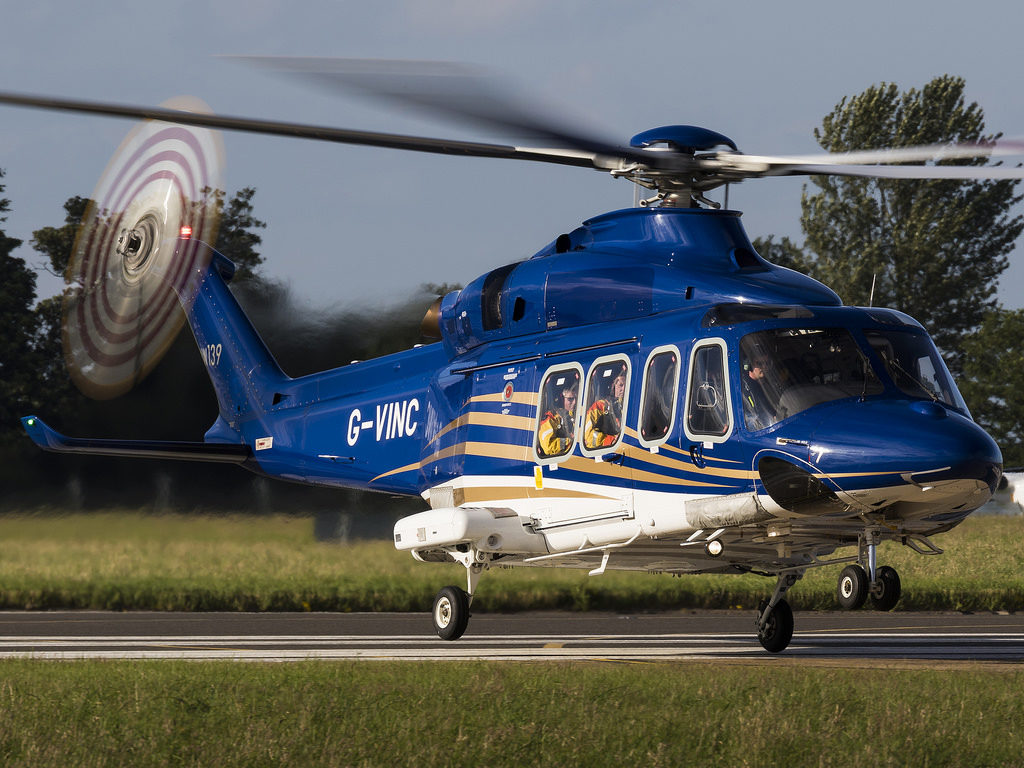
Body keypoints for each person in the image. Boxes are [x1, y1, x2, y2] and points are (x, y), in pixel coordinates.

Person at [584, 366, 626, 450]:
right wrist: (611, 441)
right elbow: (588, 436)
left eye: (626, 385)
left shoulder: (630, 405)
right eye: (620, 385)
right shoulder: (599, 406)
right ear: (612, 386)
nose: (623, 389)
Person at [537, 380, 578, 457]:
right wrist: (570, 442)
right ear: (560, 399)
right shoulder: (549, 419)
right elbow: (549, 446)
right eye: (570, 399)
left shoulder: (574, 416)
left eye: (575, 398)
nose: (574, 402)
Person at [742, 354, 775, 431]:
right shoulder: (744, 387)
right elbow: (751, 416)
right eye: (759, 364)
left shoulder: (765, 384)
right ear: (750, 365)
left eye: (767, 363)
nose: (764, 367)